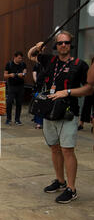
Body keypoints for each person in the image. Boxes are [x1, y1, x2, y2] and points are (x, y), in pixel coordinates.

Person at [28, 30, 89, 204]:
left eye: (66, 43)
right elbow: (31, 54)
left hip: (68, 113)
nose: (63, 45)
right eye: (60, 43)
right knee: (54, 148)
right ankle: (60, 181)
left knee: (67, 150)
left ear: (71, 45)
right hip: (49, 111)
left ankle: (71, 188)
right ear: (56, 46)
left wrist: (67, 92)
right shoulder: (50, 60)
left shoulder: (80, 65)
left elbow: (89, 88)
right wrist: (38, 46)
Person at [4, 51, 27, 125]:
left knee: (19, 103)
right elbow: (5, 75)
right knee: (9, 102)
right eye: (19, 58)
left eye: (21, 58)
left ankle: (17, 119)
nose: (20, 59)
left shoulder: (23, 64)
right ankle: (8, 119)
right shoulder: (9, 64)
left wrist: (22, 74)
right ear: (15, 57)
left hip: (20, 86)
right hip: (11, 86)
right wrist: (10, 75)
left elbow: (25, 73)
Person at [32, 62, 43, 129]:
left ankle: (39, 122)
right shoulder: (36, 65)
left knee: (42, 105)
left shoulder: (48, 65)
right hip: (39, 88)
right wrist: (37, 83)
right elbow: (34, 75)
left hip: (45, 88)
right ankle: (38, 122)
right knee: (38, 105)